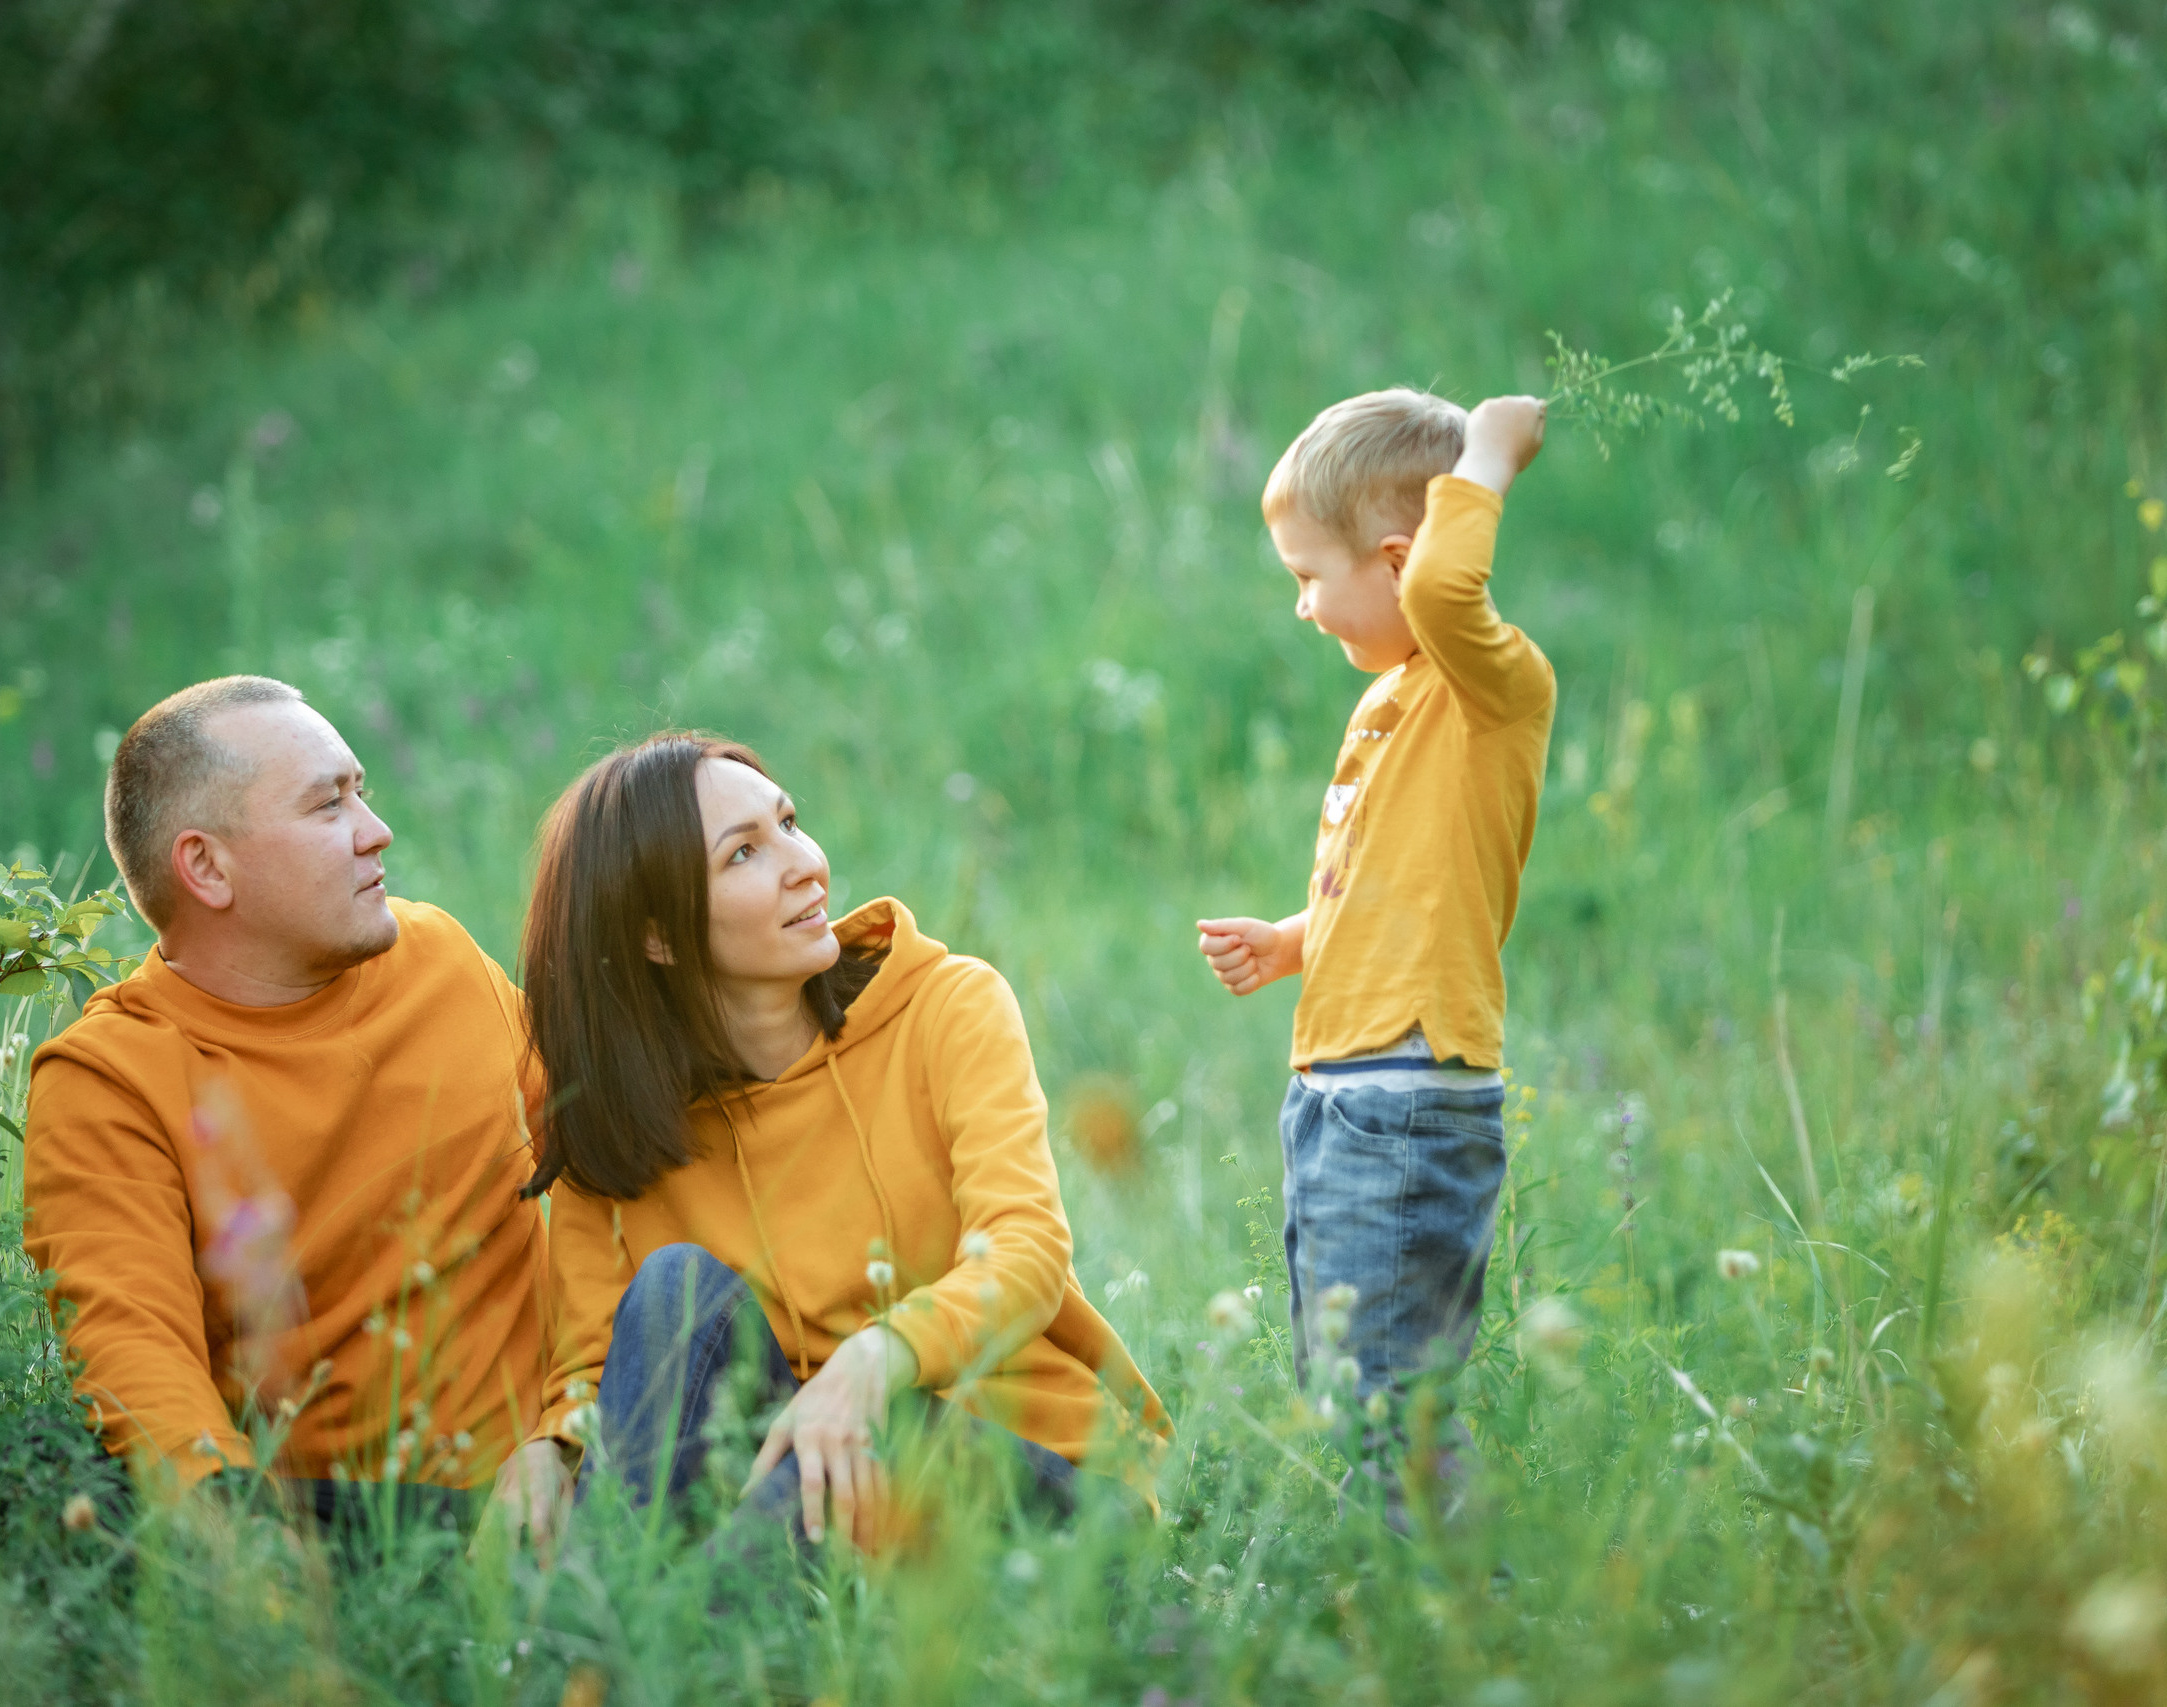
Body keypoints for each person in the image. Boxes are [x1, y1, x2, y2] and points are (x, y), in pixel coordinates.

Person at [519, 733, 1167, 1552]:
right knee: (676, 1288)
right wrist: (554, 1446)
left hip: (1047, 1484)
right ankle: (630, 1634)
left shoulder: (947, 1008)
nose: (803, 864)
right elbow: (599, 1367)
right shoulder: (625, 1129)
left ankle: (605, 1660)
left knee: (834, 1455)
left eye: (788, 821)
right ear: (659, 936)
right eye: (745, 852)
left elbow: (1027, 1250)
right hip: (811, 1487)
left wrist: (877, 1358)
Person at [23, 675, 572, 1542]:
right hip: (330, 1520)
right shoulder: (111, 1077)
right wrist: (254, 1558)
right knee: (76, 1490)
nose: (375, 830)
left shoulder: (443, 958)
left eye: (362, 792)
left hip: (560, 1472)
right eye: (328, 806)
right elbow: (135, 1351)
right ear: (206, 867)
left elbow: (603, 1179)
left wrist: (568, 1429)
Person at [1194, 391, 1553, 1524]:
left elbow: (1449, 587)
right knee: (1345, 1393)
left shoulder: (1488, 684)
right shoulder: (1391, 703)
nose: (1301, 607)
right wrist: (1293, 941)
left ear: (1396, 559)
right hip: (1341, 1097)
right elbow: (1400, 890)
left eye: (1308, 576)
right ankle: (1388, 1607)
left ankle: (1445, 1616)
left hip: (1404, 1103)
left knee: (1385, 1410)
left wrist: (1486, 455)